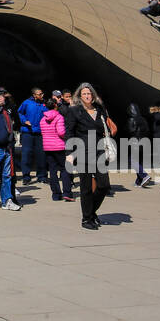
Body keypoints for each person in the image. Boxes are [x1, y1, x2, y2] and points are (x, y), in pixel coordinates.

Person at [65, 83, 116, 228]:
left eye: (89, 94)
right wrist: (69, 153)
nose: (87, 96)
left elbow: (106, 128)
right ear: (79, 96)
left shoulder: (99, 109)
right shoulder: (74, 111)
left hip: (99, 152)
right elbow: (69, 132)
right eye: (84, 94)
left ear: (93, 95)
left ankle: (91, 211)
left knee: (104, 185)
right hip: (82, 152)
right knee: (86, 188)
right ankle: (86, 219)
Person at [39, 97, 72, 201]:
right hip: (59, 146)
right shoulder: (59, 117)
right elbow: (61, 132)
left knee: (52, 171)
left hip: (48, 148)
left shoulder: (43, 119)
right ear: (55, 106)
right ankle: (67, 192)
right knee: (64, 169)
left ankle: (56, 195)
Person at [17, 87, 47, 187]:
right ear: (34, 95)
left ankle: (42, 176)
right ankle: (26, 177)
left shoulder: (44, 103)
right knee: (26, 155)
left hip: (40, 132)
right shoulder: (26, 103)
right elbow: (20, 112)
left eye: (42, 93)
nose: (42, 95)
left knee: (41, 155)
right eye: (40, 94)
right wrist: (24, 121)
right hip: (28, 132)